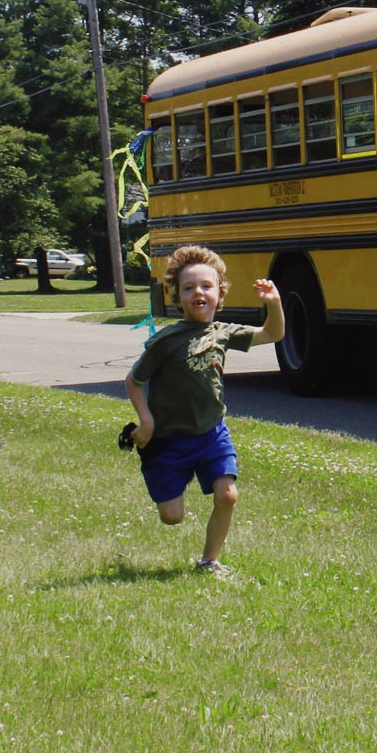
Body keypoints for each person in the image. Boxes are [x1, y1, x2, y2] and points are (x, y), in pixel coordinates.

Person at [123, 244, 283, 578]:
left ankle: (209, 561)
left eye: (206, 286)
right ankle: (164, 475)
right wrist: (146, 421)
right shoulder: (166, 341)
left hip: (211, 433)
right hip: (167, 440)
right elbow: (134, 380)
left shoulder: (223, 333)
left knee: (228, 495)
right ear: (177, 296)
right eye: (188, 287)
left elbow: (273, 333)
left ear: (219, 293)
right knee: (172, 517)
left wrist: (275, 303)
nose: (198, 292)